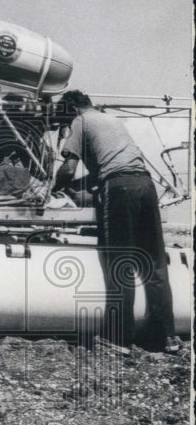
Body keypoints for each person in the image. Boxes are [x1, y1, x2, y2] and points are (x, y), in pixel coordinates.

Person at [51, 90, 180, 355]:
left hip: (119, 188)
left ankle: (119, 339)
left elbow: (68, 169)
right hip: (145, 186)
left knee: (119, 263)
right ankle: (167, 337)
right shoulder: (108, 119)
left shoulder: (80, 120)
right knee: (154, 265)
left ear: (73, 108)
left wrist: (50, 191)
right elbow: (108, 163)